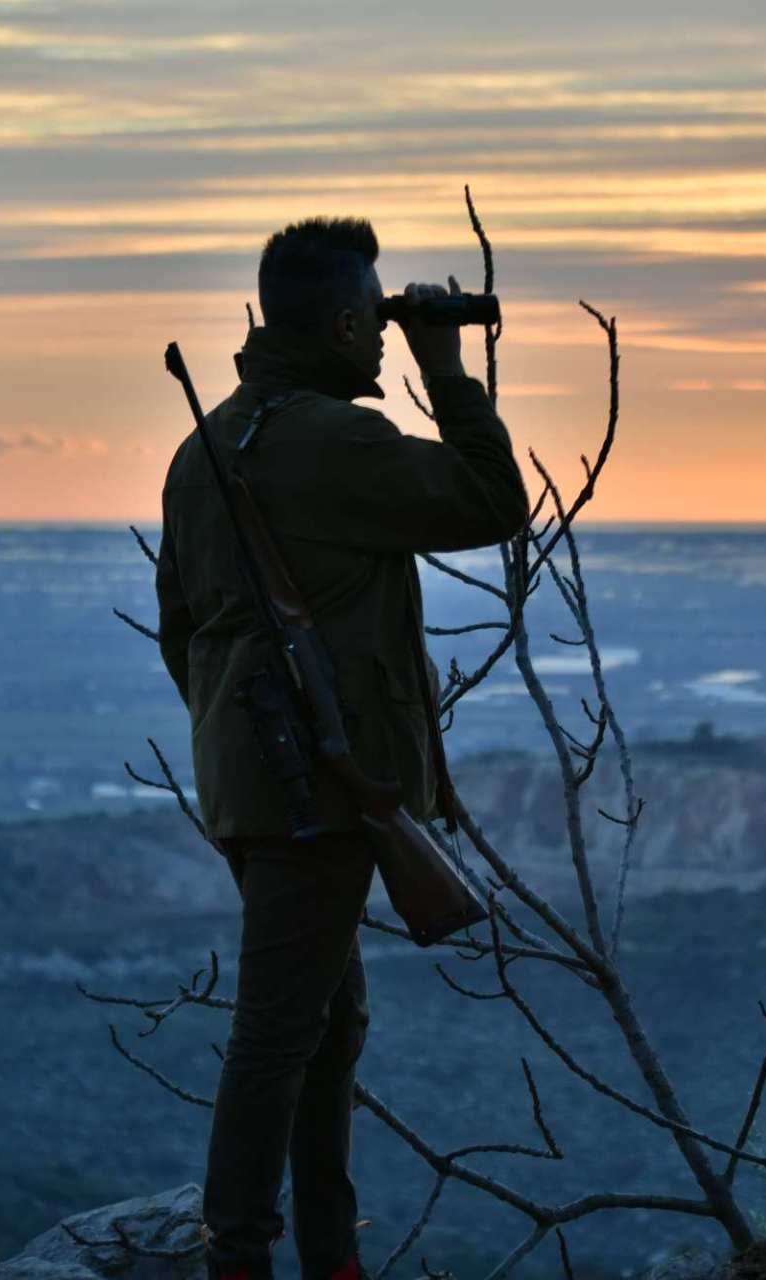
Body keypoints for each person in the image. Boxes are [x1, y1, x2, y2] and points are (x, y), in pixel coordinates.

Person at [152, 216, 530, 1280]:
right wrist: (446, 370)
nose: (385, 335)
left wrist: (241, 738)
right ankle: (241, 1255)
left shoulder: (205, 447)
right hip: (317, 788)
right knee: (282, 1028)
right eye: (377, 318)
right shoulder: (331, 441)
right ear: (348, 324)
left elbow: (182, 629)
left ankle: (327, 1253)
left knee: (327, 1020)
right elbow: (494, 501)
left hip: (256, 782)